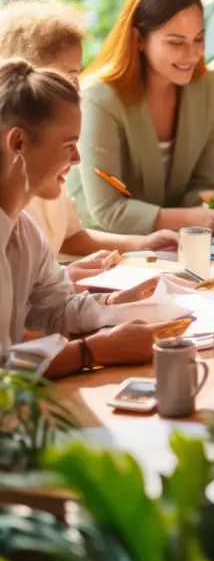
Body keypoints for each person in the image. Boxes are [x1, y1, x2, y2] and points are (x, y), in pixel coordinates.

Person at [0, 59, 189, 379]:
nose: (77, 159)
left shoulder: (24, 230)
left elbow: (58, 308)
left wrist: (116, 302)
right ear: (18, 143)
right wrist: (93, 351)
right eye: (69, 145)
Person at [0, 0, 179, 285]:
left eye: (78, 73)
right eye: (68, 74)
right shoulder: (15, 180)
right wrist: (63, 282)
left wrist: (142, 244)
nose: (77, 86)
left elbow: (72, 237)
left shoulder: (48, 166)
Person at [68, 0, 214, 236]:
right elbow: (107, 211)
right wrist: (193, 217)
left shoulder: (206, 87)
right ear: (138, 40)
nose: (192, 55)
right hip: (102, 249)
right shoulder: (100, 99)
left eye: (198, 39)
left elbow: (199, 185)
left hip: (170, 246)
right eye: (176, 43)